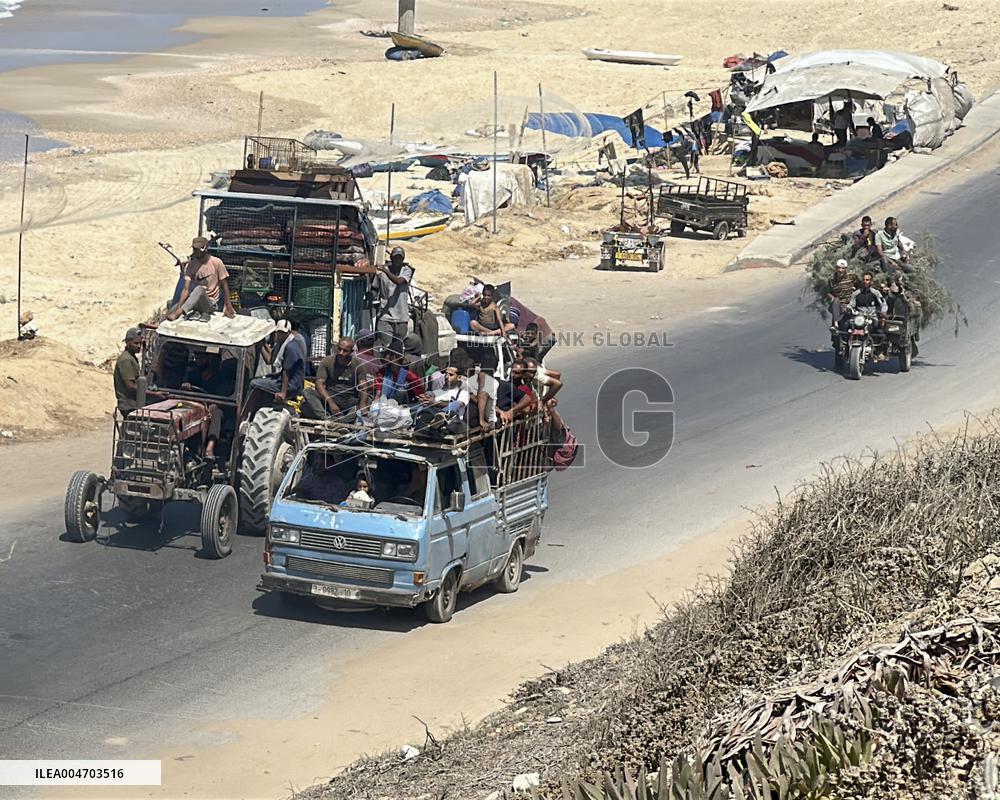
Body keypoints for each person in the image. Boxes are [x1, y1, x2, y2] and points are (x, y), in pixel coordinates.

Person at [166, 236, 236, 321]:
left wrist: (228, 305)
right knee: (172, 310)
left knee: (199, 289)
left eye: (198, 249)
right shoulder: (191, 265)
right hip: (195, 302)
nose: (196, 252)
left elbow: (224, 285)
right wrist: (178, 306)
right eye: (194, 249)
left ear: (205, 248)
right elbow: (185, 289)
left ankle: (180, 312)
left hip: (210, 303)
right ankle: (179, 311)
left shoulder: (216, 263)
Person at [248, 319, 306, 417]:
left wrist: (283, 393)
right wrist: (262, 344)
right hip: (281, 379)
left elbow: (286, 372)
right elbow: (270, 360)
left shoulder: (291, 347)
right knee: (260, 379)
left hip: (292, 385)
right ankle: (258, 408)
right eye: (279, 332)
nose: (280, 335)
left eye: (283, 333)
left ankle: (248, 414)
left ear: (288, 332)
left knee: (253, 383)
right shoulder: (282, 343)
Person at [308, 337, 368, 419]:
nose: (341, 353)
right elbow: (319, 384)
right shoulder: (327, 361)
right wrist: (331, 402)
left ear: (351, 352)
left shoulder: (358, 365)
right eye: (339, 349)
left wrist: (362, 405)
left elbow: (363, 386)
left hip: (348, 399)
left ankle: (342, 421)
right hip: (329, 397)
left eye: (345, 351)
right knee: (308, 393)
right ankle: (327, 418)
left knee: (368, 401)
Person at [370, 246, 413, 347]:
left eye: (400, 258)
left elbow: (399, 281)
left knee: (398, 348)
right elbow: (375, 288)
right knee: (386, 347)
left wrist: (385, 271)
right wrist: (372, 295)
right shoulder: (381, 273)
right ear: (391, 258)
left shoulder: (406, 271)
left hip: (401, 318)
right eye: (396, 258)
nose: (398, 260)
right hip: (385, 317)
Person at [114, 327, 143, 415]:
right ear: (128, 342)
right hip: (129, 405)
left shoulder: (132, 357)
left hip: (132, 403)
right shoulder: (126, 360)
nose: (139, 346)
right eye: (136, 343)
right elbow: (130, 386)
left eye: (140, 343)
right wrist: (152, 394)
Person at [826, 258, 859, 329]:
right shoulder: (832, 279)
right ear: (836, 268)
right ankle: (835, 324)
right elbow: (828, 292)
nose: (841, 270)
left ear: (846, 269)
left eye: (843, 268)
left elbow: (858, 285)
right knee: (836, 301)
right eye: (839, 268)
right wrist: (832, 298)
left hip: (851, 302)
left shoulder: (851, 276)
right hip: (839, 305)